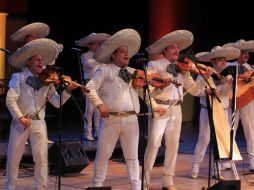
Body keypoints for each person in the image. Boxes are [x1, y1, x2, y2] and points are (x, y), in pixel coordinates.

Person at [4, 38, 79, 190]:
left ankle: (41, 187)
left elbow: (57, 103)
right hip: (21, 121)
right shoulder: (18, 78)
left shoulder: (48, 80)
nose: (41, 63)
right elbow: (10, 100)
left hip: (39, 122)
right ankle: (9, 187)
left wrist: (67, 90)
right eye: (37, 60)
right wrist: (20, 117)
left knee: (42, 159)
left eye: (42, 60)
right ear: (28, 62)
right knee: (14, 158)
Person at [143, 30, 212, 190]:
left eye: (177, 48)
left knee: (173, 146)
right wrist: (153, 105)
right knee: (154, 144)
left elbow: (194, 90)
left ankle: (168, 181)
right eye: (172, 47)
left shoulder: (183, 68)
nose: (176, 50)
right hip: (160, 107)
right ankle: (145, 179)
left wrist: (204, 77)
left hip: (176, 109)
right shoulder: (155, 65)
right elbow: (146, 89)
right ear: (165, 50)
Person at [85, 28, 142, 190]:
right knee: (103, 155)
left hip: (131, 119)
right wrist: (99, 104)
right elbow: (89, 87)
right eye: (122, 52)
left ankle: (136, 187)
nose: (126, 55)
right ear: (113, 55)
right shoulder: (105, 69)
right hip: (111, 119)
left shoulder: (133, 72)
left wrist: (154, 89)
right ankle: (97, 185)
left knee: (132, 157)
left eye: (127, 52)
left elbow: (146, 92)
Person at [190, 46, 240, 179]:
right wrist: (206, 91)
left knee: (220, 141)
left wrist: (230, 85)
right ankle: (195, 166)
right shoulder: (204, 73)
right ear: (213, 61)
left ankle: (216, 169)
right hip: (207, 110)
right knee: (204, 138)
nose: (223, 62)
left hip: (223, 111)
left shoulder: (228, 75)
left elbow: (230, 95)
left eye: (224, 59)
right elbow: (196, 91)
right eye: (219, 60)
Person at [223, 39, 254, 172]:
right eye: (243, 52)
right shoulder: (229, 66)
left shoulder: (251, 68)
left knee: (251, 132)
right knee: (230, 131)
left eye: (248, 52)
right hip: (232, 103)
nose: (246, 55)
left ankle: (253, 161)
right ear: (237, 54)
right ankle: (227, 161)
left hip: (247, 102)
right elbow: (225, 81)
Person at [75, 33, 111, 140]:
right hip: (89, 83)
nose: (97, 46)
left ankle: (98, 131)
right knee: (89, 110)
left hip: (100, 84)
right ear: (89, 46)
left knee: (98, 109)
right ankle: (88, 132)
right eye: (95, 44)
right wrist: (100, 57)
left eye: (98, 44)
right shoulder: (85, 56)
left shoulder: (101, 57)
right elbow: (90, 64)